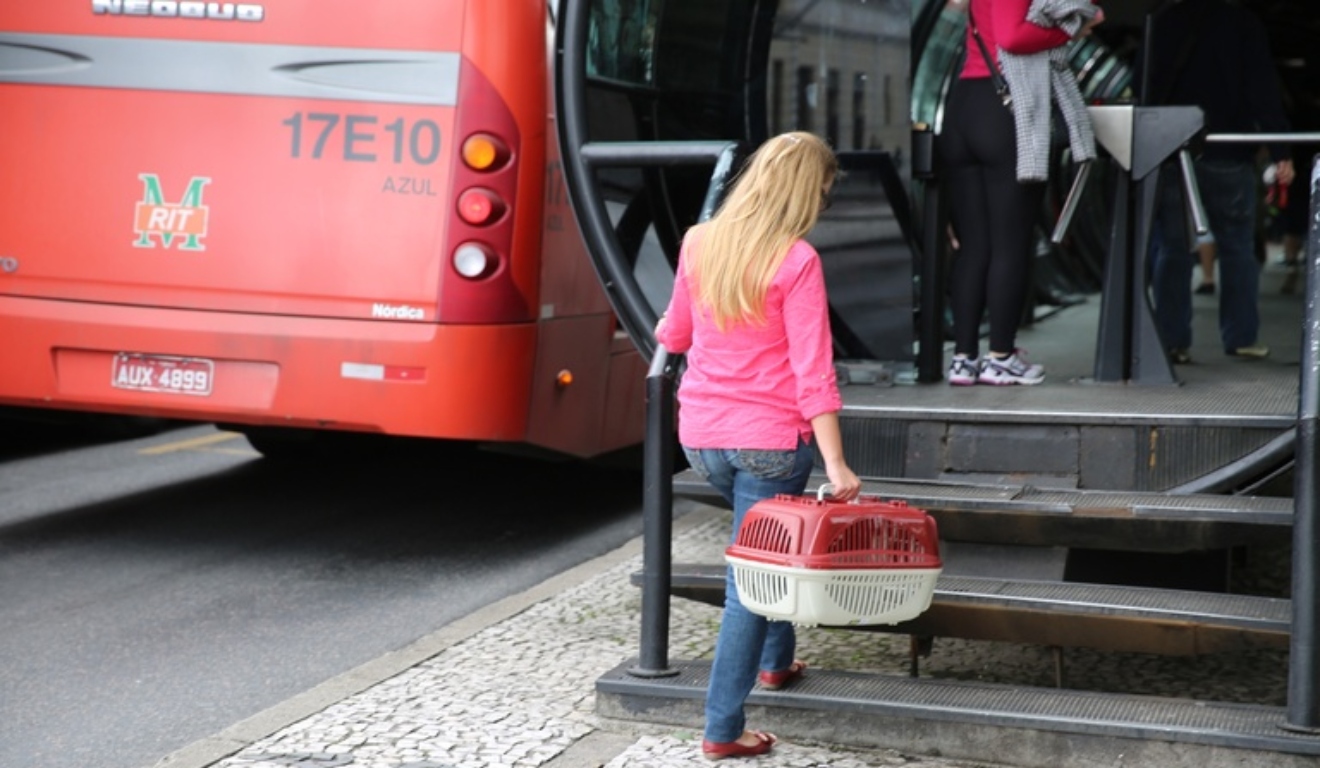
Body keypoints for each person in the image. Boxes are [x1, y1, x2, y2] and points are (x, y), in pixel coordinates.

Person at [653, 131, 862, 760]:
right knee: (750, 580)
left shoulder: (699, 242)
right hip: (770, 441)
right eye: (822, 192)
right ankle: (722, 729)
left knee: (761, 550)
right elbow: (813, 373)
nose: (822, 204)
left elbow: (675, 333)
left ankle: (777, 661)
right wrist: (836, 462)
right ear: (804, 192)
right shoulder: (796, 260)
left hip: (702, 437)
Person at [940, 0, 1103, 386]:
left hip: (964, 106)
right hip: (1003, 111)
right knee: (1010, 245)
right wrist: (1067, 30)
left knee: (975, 245)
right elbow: (1013, 37)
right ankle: (1000, 357)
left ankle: (963, 359)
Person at [1141, 0, 1295, 362]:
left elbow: (1144, 85)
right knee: (1237, 246)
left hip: (1172, 150)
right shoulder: (1243, 22)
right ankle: (1241, 338)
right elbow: (1262, 87)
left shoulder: (1161, 21)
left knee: (1172, 248)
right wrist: (1279, 149)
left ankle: (1172, 341)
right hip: (1229, 149)